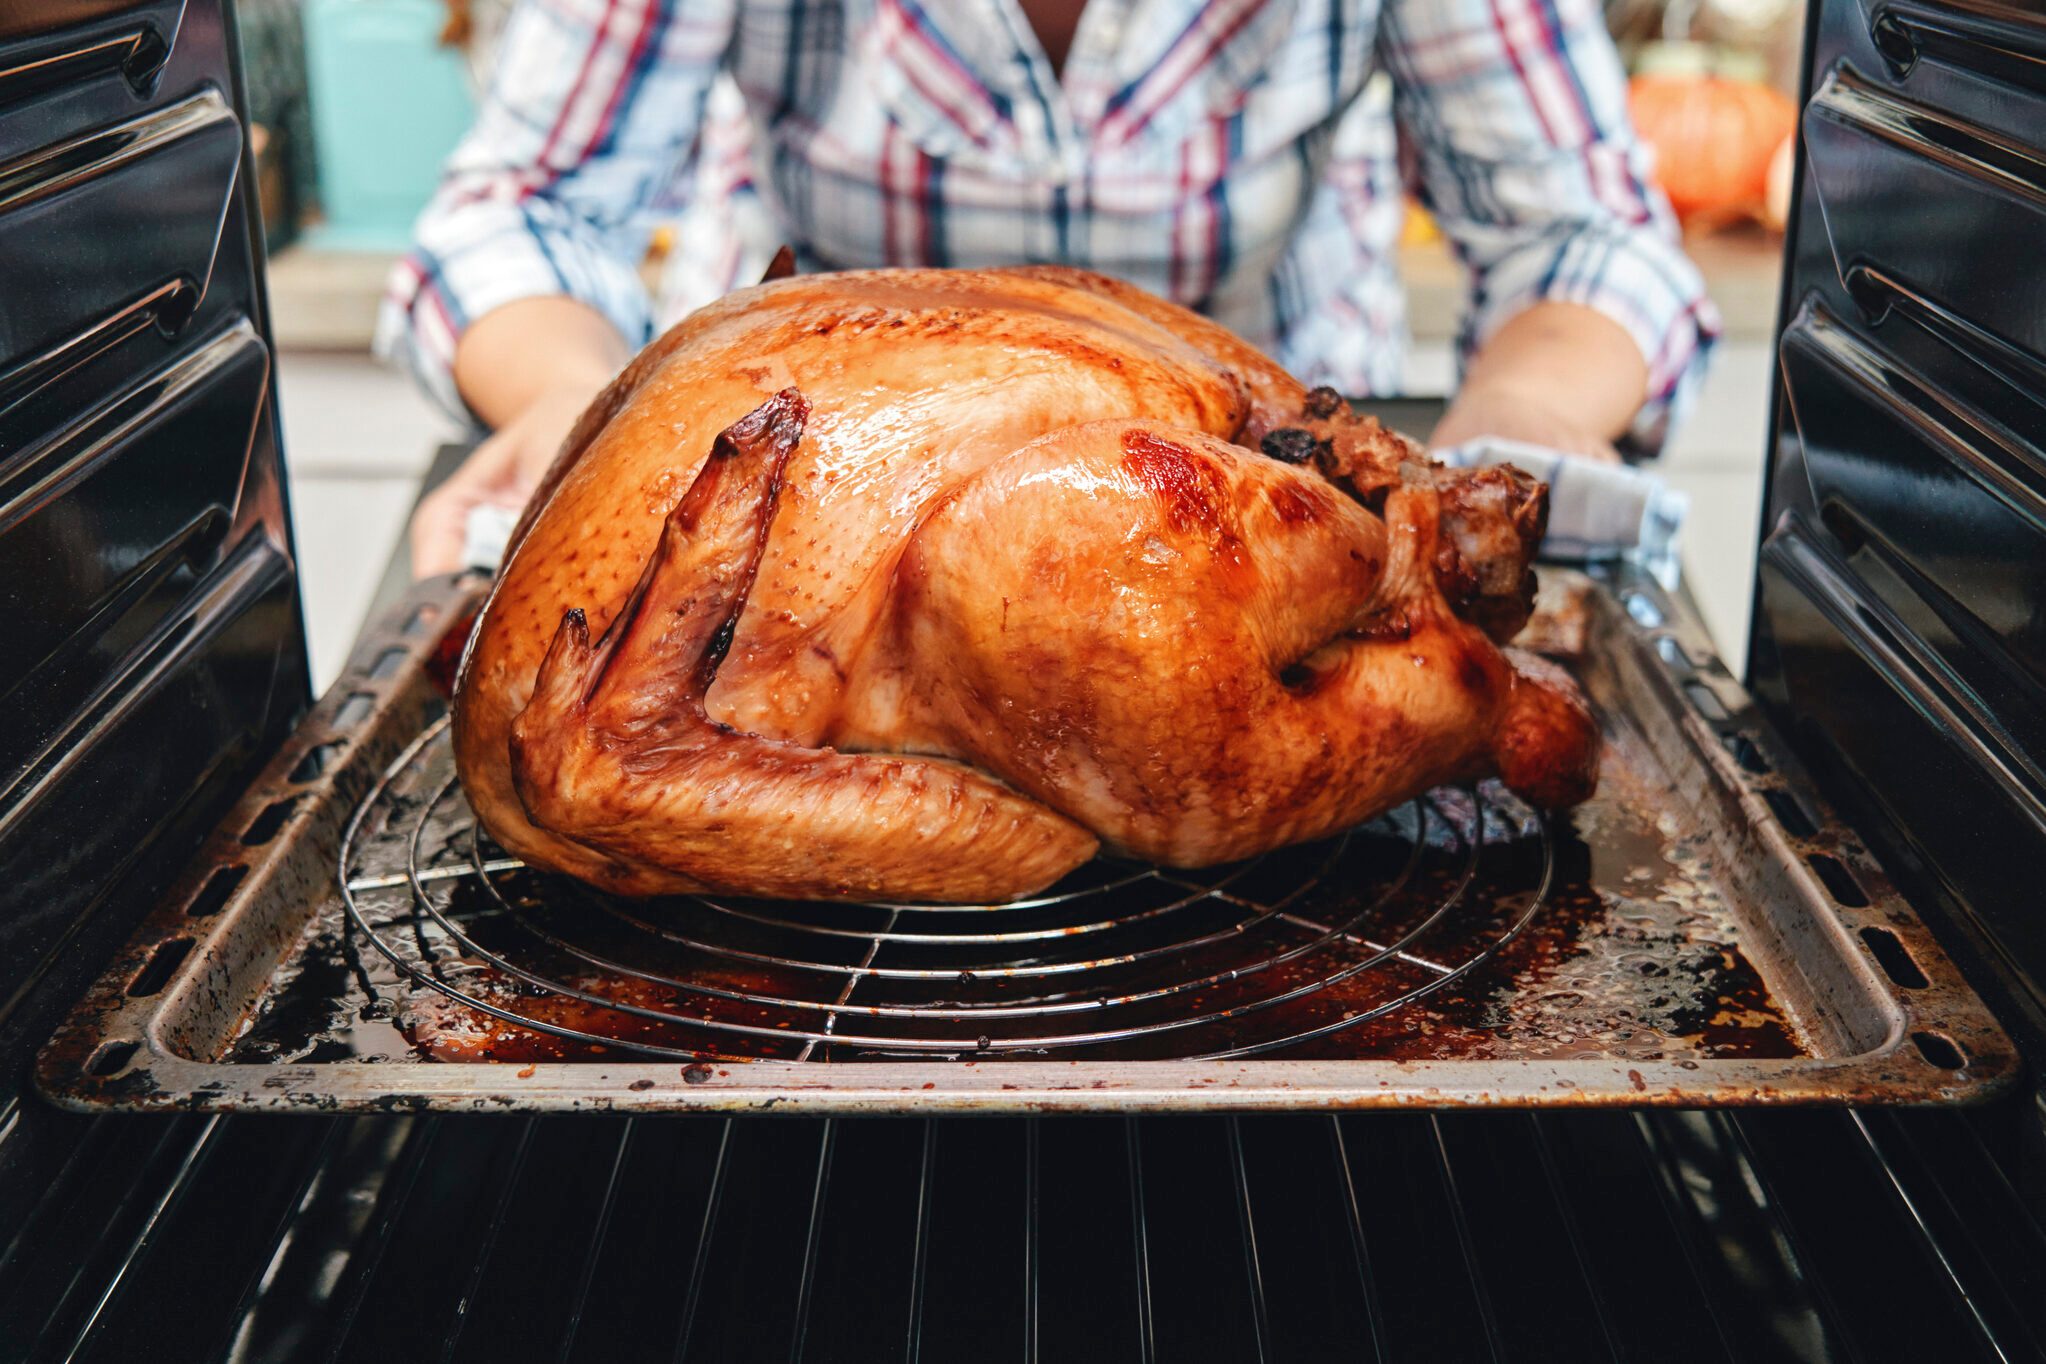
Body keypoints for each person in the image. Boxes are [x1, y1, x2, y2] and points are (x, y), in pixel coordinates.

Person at [381, 0, 1717, 577]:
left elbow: (1581, 237)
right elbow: (525, 210)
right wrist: (567, 407)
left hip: (1274, 484)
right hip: (840, 486)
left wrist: (1531, 411)